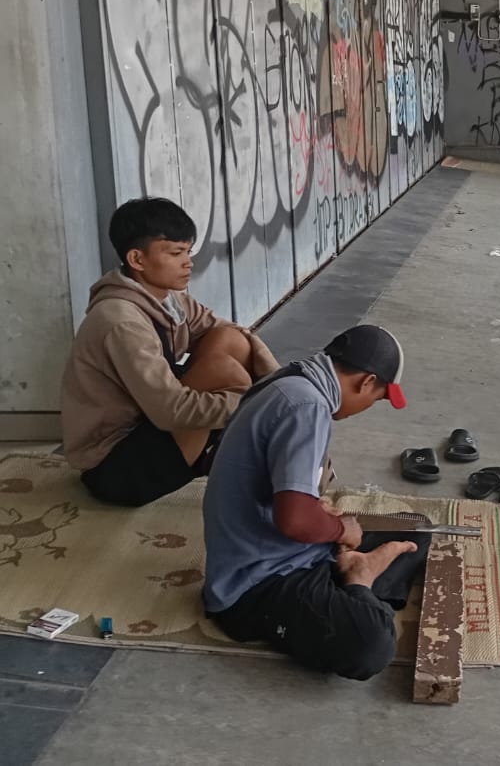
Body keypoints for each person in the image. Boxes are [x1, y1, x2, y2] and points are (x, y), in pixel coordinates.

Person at [202, 324, 424, 681]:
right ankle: (359, 581)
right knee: (372, 644)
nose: (367, 407)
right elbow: (294, 521)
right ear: (366, 382)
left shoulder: (289, 382)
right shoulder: (308, 406)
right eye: (376, 399)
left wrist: (316, 509)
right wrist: (338, 528)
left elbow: (281, 489)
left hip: (293, 551)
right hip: (257, 583)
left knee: (416, 533)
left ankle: (353, 580)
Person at [61, 197, 278, 507]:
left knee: (230, 341)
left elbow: (232, 332)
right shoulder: (121, 321)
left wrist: (277, 383)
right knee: (224, 372)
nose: (188, 262)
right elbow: (169, 411)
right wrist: (257, 405)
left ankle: (246, 444)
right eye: (176, 253)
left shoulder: (167, 300)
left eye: (188, 251)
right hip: (115, 468)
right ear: (137, 259)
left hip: (148, 426)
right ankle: (255, 452)